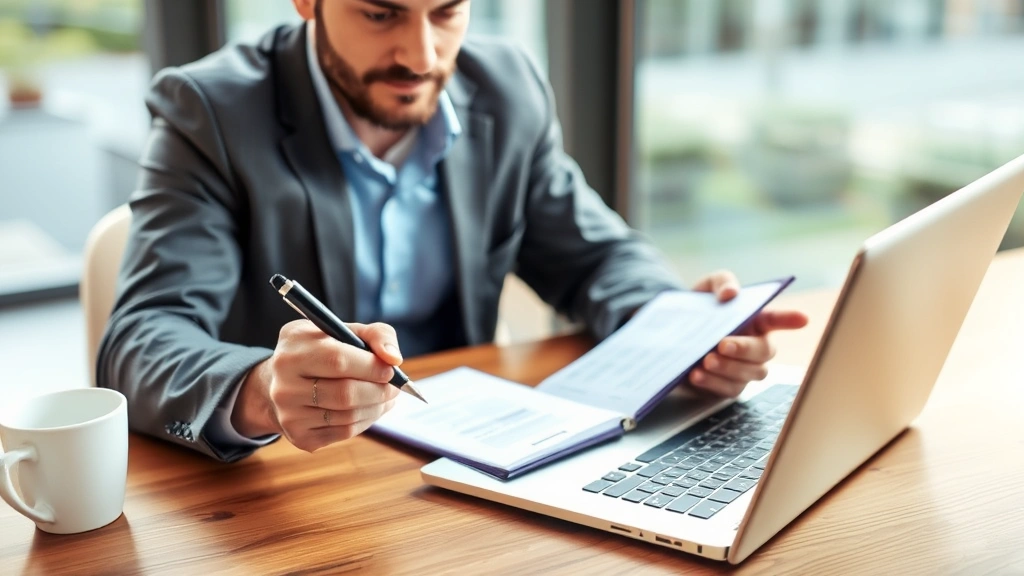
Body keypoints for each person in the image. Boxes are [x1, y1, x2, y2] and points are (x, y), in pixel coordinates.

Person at [98, 0, 808, 462]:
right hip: (300, 481)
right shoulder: (209, 112)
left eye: (447, 12)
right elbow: (140, 341)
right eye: (381, 13)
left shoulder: (507, 88)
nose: (421, 56)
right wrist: (261, 390)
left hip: (471, 460)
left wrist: (683, 331)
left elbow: (596, 256)